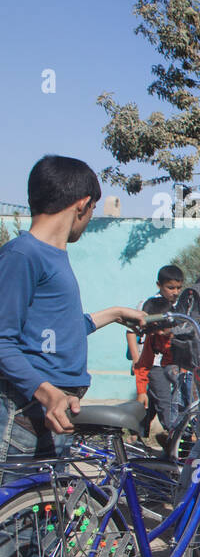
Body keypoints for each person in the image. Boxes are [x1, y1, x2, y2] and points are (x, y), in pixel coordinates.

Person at [0, 155, 146, 480]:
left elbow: (58, 330)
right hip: (30, 410)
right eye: (93, 210)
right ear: (82, 205)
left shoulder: (52, 256)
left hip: (54, 409)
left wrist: (115, 313)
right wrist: (45, 391)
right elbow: (2, 341)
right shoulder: (23, 255)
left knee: (44, 518)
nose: (90, 219)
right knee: (21, 527)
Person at [134, 292, 192, 441]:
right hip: (166, 371)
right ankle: (172, 434)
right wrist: (141, 392)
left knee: (183, 402)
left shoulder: (184, 333)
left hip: (185, 374)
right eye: (154, 330)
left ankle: (184, 438)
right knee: (161, 391)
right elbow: (143, 364)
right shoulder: (154, 336)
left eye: (161, 328)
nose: (159, 333)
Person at [126, 264, 185, 367]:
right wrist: (136, 359)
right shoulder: (148, 304)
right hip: (151, 361)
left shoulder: (182, 306)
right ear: (159, 285)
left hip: (173, 362)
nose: (176, 292)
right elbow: (131, 331)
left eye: (179, 288)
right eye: (171, 288)